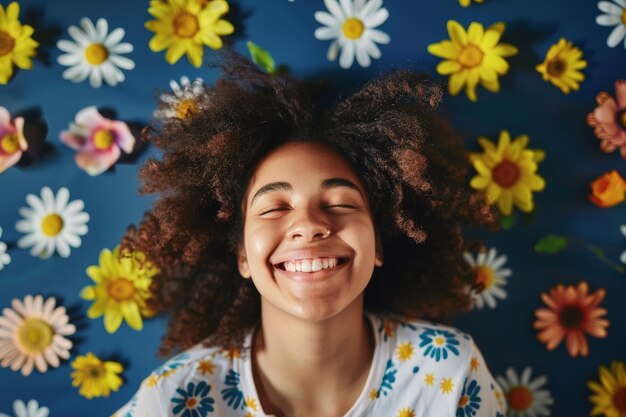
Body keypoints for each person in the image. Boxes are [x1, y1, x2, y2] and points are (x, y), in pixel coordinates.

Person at [113, 52, 506, 417]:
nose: (309, 224)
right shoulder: (172, 400)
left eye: (340, 203)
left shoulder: (449, 379)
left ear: (379, 245)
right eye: (275, 208)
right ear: (242, 257)